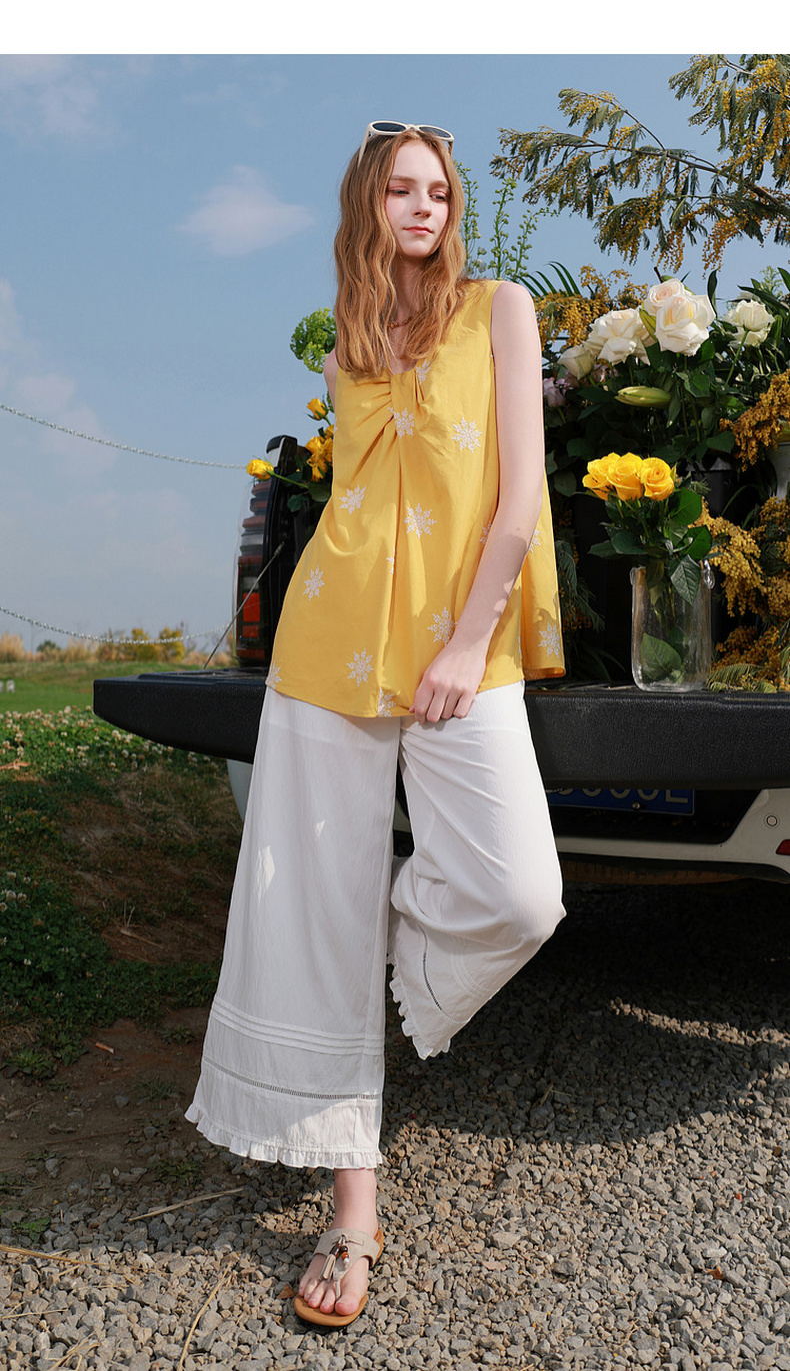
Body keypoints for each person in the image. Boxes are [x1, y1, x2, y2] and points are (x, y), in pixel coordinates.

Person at [187, 120, 566, 1329]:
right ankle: (353, 1213)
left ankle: (377, 937)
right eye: (400, 189)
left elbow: (519, 495)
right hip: (332, 636)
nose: (422, 206)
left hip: (462, 648)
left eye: (437, 190)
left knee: (520, 893)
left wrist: (464, 640)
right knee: (314, 902)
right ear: (368, 203)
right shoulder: (349, 337)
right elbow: (357, 499)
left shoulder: (500, 309)